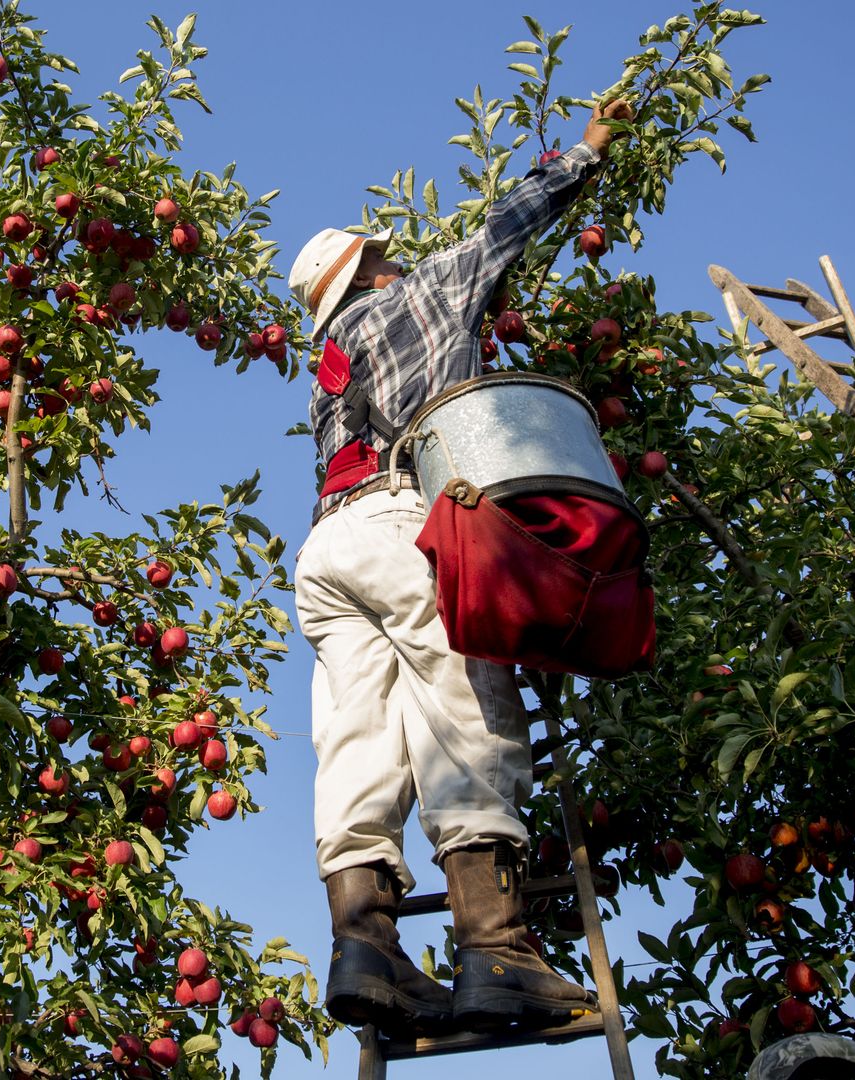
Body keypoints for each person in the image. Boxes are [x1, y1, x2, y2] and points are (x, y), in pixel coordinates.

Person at [286, 94, 635, 1036]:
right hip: (405, 522)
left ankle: (366, 948)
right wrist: (589, 148)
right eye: (384, 251)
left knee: (356, 739)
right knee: (463, 708)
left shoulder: (329, 357)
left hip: (325, 551)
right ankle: (498, 951)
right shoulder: (418, 292)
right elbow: (508, 227)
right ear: (371, 267)